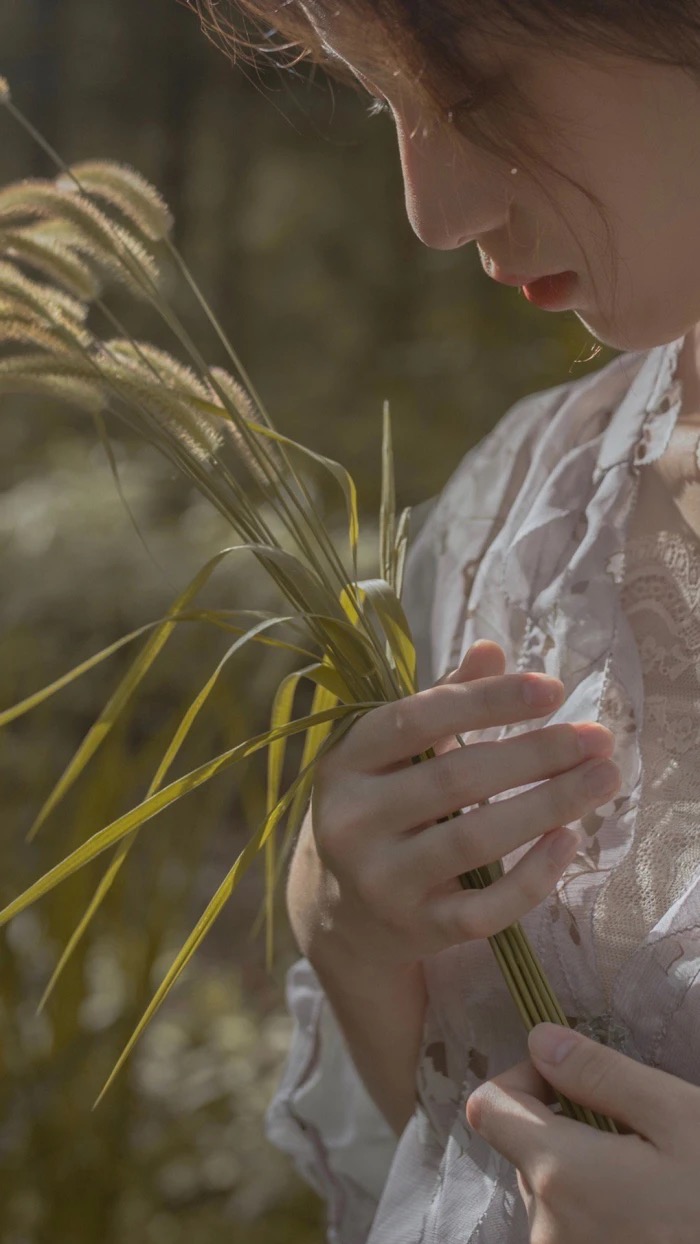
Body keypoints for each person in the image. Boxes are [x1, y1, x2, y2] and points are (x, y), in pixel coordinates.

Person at [195, 3, 700, 1240]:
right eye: (383, 103)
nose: (432, 212)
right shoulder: (518, 509)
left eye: (464, 95)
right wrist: (356, 929)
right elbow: (443, 1156)